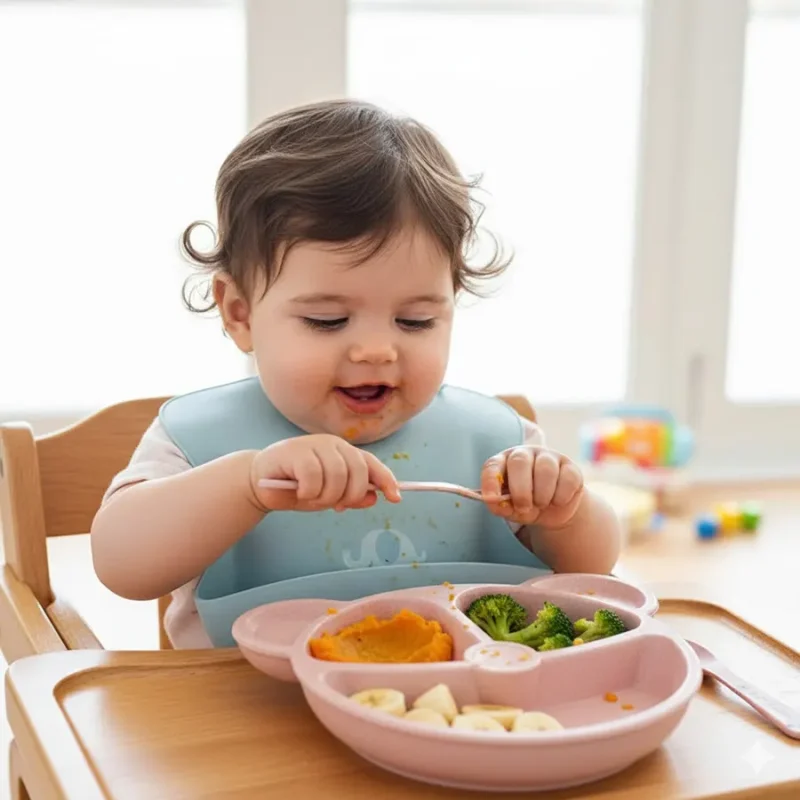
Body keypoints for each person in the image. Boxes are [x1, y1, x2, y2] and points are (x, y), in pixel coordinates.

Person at [90, 99, 621, 648]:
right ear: (240, 313)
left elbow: (594, 566)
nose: (375, 351)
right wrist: (247, 485)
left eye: (415, 321)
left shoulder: (491, 443)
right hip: (241, 697)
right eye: (328, 320)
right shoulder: (199, 440)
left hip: (455, 695)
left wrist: (566, 514)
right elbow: (120, 566)